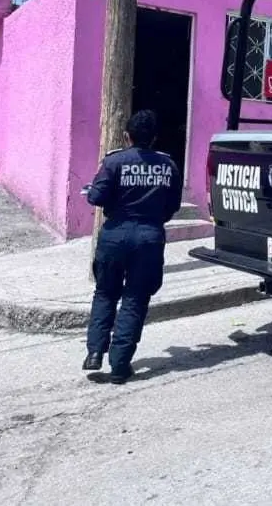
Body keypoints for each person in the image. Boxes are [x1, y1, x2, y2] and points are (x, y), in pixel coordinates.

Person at [83, 110, 183, 383]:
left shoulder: (114, 162)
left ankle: (94, 352)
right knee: (135, 299)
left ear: (127, 136)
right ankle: (119, 365)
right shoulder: (168, 166)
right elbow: (172, 205)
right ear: (154, 138)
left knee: (105, 293)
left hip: (115, 236)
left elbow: (95, 197)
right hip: (149, 238)